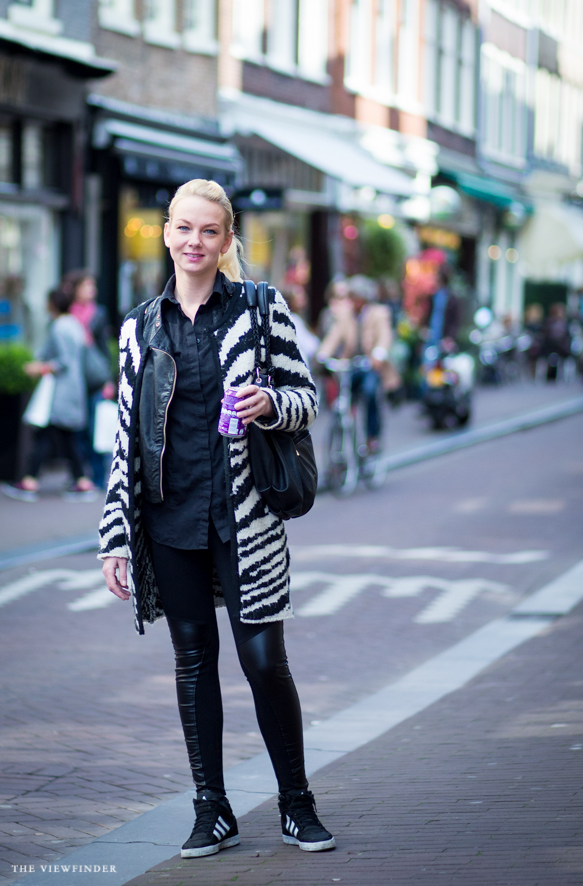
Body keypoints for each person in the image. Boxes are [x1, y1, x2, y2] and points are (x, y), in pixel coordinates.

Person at [98, 179, 334, 859]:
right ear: (165, 232)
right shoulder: (140, 327)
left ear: (227, 241)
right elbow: (125, 441)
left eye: (209, 231)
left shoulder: (261, 309)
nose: (195, 242)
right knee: (193, 661)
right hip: (171, 518)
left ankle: (297, 802)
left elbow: (306, 398)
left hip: (247, 517)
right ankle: (213, 809)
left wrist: (271, 403)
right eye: (183, 228)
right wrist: (116, 538)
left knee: (264, 660)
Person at [1, 289, 95, 501]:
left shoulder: (60, 327)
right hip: (72, 390)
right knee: (64, 437)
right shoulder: (74, 325)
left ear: (52, 304)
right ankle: (80, 481)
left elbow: (64, 361)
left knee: (46, 435)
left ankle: (31, 482)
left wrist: (40, 367)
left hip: (60, 392)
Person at [317, 274, 400, 452]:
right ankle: (346, 432)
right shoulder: (345, 315)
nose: (353, 300)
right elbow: (334, 336)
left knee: (370, 392)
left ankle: (372, 437)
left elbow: (385, 336)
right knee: (342, 398)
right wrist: (323, 355)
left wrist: (379, 353)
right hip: (351, 364)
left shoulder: (379, 313)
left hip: (370, 365)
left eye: (356, 296)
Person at [62, 269, 114, 489]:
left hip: (94, 380)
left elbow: (104, 348)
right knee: (76, 431)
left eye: (92, 286)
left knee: (95, 429)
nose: (91, 290)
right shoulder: (66, 314)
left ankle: (98, 477)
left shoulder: (98, 313)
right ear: (74, 289)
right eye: (86, 286)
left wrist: (109, 380)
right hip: (72, 380)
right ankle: (79, 476)